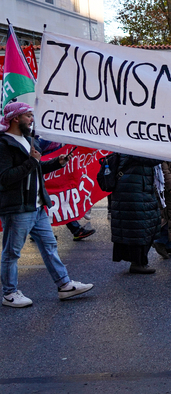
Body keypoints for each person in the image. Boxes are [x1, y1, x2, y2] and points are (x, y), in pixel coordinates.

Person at [0, 102, 93, 308]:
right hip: (17, 208)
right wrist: (32, 162)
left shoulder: (27, 140)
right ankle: (9, 294)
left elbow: (36, 168)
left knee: (50, 246)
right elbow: (5, 177)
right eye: (28, 116)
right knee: (12, 252)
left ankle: (64, 285)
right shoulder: (4, 144)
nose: (32, 119)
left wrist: (56, 163)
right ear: (15, 118)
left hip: (37, 206)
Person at [110, 154, 163, 274]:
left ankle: (139, 261)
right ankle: (137, 263)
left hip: (136, 188)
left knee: (143, 224)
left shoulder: (129, 143)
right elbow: (150, 158)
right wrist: (170, 151)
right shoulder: (131, 145)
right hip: (132, 190)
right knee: (138, 227)